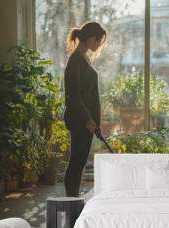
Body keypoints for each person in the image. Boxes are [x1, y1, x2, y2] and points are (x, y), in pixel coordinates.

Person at [63, 21, 107, 197]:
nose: (99, 45)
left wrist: (94, 121)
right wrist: (88, 119)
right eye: (98, 41)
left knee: (79, 161)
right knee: (77, 161)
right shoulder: (76, 60)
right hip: (81, 120)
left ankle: (73, 197)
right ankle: (71, 199)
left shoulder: (83, 58)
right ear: (90, 39)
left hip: (86, 121)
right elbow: (74, 95)